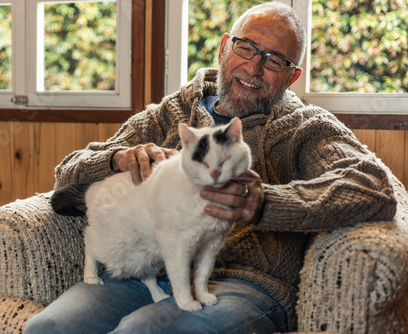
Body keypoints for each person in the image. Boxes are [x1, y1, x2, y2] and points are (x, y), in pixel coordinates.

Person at [24, 2, 397, 333]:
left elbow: (373, 187)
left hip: (242, 283)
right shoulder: (169, 114)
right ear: (224, 46)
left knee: (143, 330)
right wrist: (116, 159)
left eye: (274, 60)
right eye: (246, 47)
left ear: (291, 75)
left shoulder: (304, 128)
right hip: (144, 269)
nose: (253, 67)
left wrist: (265, 203)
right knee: (50, 327)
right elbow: (67, 175)